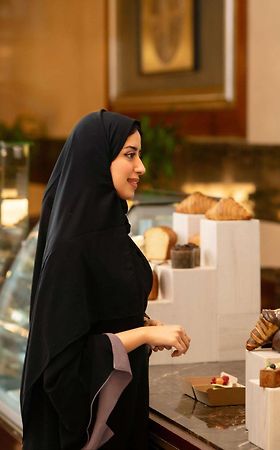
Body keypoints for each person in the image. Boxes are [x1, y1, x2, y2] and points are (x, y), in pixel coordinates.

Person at [20, 109, 191, 449]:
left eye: (139, 155)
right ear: (96, 161)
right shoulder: (70, 250)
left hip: (125, 415)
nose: (140, 167)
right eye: (129, 154)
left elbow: (100, 314)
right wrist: (143, 334)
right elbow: (62, 368)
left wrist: (142, 324)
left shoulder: (112, 234)